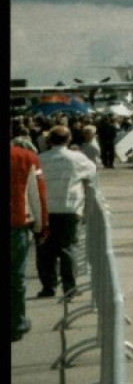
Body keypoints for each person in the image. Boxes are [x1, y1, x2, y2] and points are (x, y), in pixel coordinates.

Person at [37, 126, 95, 300]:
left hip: (45, 210)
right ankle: (70, 287)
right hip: (69, 208)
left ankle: (48, 287)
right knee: (68, 249)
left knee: (45, 250)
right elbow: (92, 172)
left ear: (49, 140)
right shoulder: (77, 158)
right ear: (69, 139)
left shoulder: (40, 159)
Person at [11, 126, 48, 340]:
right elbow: (36, 195)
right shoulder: (26, 157)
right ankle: (16, 322)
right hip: (16, 224)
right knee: (16, 277)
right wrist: (41, 226)